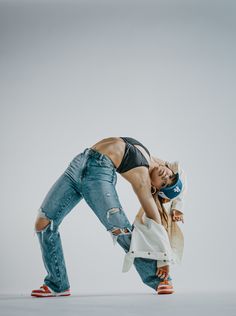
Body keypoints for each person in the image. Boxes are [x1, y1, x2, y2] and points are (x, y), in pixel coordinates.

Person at [31, 137, 184, 297]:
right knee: (43, 222)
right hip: (77, 166)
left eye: (164, 183)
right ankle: (57, 284)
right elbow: (181, 174)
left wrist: (164, 261)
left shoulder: (143, 181)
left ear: (154, 188)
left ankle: (160, 280)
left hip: (98, 176)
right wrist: (179, 206)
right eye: (170, 176)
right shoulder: (154, 159)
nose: (166, 177)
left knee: (121, 231)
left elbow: (156, 223)